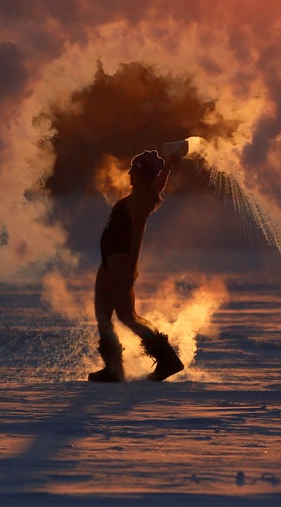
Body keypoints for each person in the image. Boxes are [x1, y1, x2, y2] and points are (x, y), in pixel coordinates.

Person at [89, 144, 187, 382]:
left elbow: (138, 233)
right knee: (103, 316)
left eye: (133, 170)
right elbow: (157, 184)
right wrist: (167, 165)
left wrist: (131, 267)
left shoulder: (142, 200)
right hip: (108, 262)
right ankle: (113, 368)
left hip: (121, 262)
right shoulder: (137, 197)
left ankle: (168, 360)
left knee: (127, 317)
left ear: (142, 174)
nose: (129, 173)